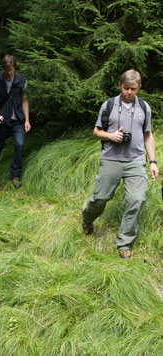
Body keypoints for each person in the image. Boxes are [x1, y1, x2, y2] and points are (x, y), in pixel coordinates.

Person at [82, 69, 158, 259]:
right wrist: (111, 135)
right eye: (126, 88)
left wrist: (153, 162)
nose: (129, 92)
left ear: (139, 87)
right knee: (101, 198)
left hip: (136, 161)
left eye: (133, 89)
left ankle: (124, 243)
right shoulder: (108, 105)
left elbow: (148, 135)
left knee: (137, 199)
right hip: (111, 159)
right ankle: (87, 217)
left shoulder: (144, 107)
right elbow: (96, 131)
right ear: (120, 86)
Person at [0, 55, 30, 187]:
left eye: (12, 70)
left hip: (18, 121)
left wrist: (27, 119)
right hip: (2, 120)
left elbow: (25, 100)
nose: (10, 73)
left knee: (19, 146)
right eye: (7, 70)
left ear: (14, 67)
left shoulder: (22, 81)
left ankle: (15, 176)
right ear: (4, 69)